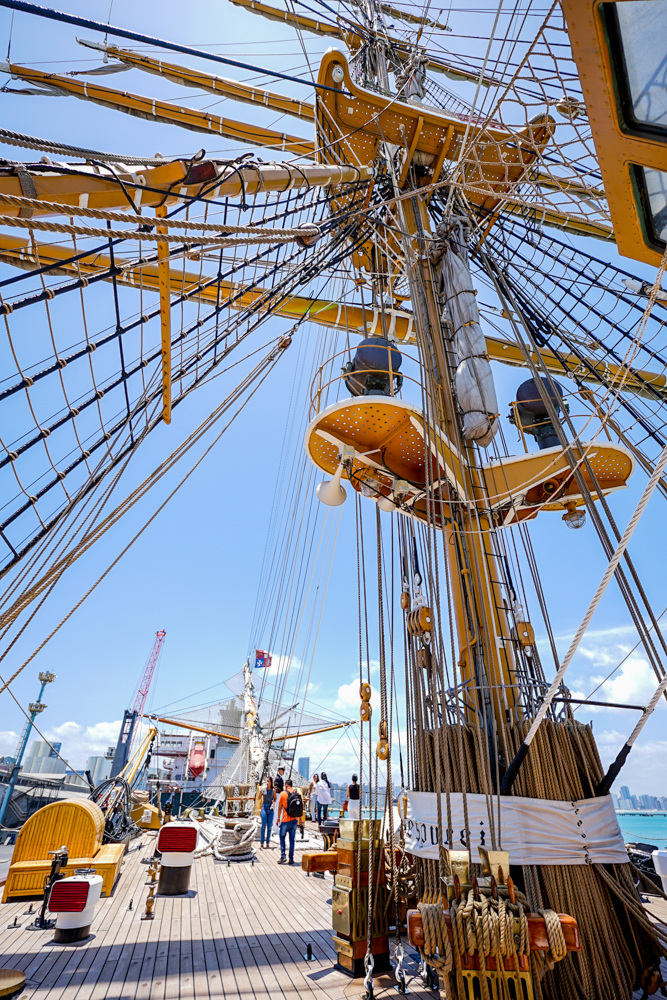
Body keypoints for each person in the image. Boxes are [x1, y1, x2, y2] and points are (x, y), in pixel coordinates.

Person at [277, 779, 302, 864]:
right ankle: (291, 858)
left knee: (282, 837)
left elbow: (280, 807)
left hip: (285, 820)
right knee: (292, 840)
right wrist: (300, 819)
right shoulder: (297, 793)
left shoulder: (283, 793)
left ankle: (283, 856)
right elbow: (300, 807)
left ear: (286, 785)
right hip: (294, 820)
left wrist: (278, 818)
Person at [259, 776, 275, 849]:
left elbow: (274, 799)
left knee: (269, 827)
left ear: (271, 782)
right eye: (266, 781)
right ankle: (262, 842)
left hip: (270, 809)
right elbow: (259, 798)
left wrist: (273, 803)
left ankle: (268, 842)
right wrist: (260, 793)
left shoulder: (273, 790)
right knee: (263, 826)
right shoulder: (263, 789)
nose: (267, 782)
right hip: (264, 808)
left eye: (268, 781)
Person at [273, 766, 285, 836]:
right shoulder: (277, 778)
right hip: (278, 795)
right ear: (280, 770)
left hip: (280, 795)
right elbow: (275, 788)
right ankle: (275, 828)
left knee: (280, 812)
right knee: (277, 812)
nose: (283, 771)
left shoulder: (280, 778)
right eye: (282, 770)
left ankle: (278, 826)